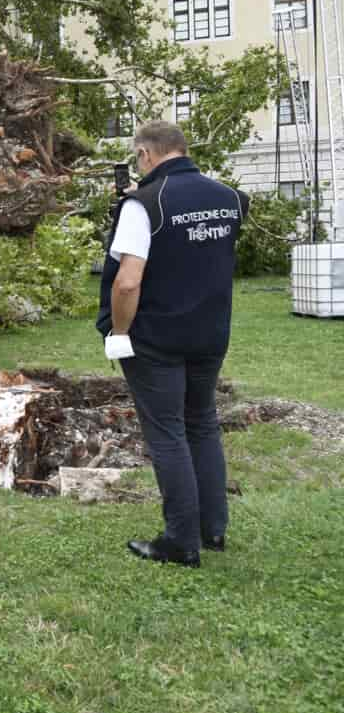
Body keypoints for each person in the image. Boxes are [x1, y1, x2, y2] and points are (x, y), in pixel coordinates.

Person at [97, 121, 249, 569]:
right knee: (202, 423)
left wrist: (120, 334)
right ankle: (213, 528)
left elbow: (127, 283)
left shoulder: (145, 203)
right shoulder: (230, 198)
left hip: (157, 338)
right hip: (210, 333)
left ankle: (181, 542)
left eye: (136, 158)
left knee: (167, 433)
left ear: (145, 154)